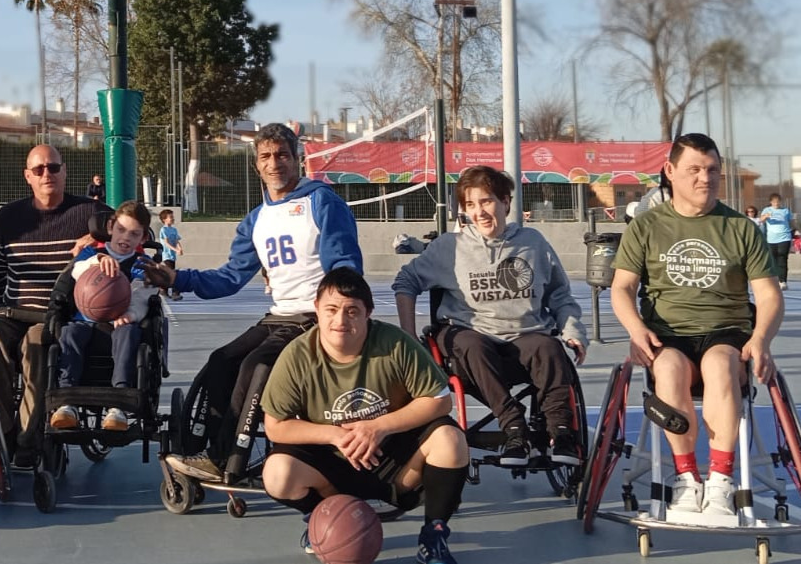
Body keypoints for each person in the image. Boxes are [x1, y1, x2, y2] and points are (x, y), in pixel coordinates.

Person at [153, 122, 364, 482]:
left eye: (282, 154)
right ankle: (201, 448)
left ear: (296, 159)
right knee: (221, 361)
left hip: (315, 319)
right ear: (256, 166)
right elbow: (230, 277)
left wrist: (341, 312)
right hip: (279, 317)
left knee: (257, 364)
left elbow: (345, 266)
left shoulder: (322, 202)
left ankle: (225, 461)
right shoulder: (256, 220)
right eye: (265, 156)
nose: (274, 162)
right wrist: (178, 278)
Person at [610, 132, 780, 518]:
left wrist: (762, 339)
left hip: (726, 331)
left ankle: (720, 479)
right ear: (670, 172)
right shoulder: (647, 226)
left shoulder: (740, 229)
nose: (705, 178)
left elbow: (769, 296)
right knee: (667, 368)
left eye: (713, 170)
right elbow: (621, 288)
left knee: (720, 364)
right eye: (695, 170)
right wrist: (636, 331)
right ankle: (686, 478)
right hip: (668, 335)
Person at [261, 269, 470, 563]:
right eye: (331, 310)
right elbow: (275, 426)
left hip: (396, 463)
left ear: (368, 314)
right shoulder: (297, 356)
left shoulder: (395, 344)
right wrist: (334, 434)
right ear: (317, 310)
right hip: (332, 464)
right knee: (277, 473)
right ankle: (321, 518)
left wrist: (378, 427)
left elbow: (439, 400)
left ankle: (433, 536)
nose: (340, 320)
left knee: (450, 439)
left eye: (352, 311)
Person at [393, 165, 588, 466]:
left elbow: (559, 295)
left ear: (506, 202)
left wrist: (572, 331)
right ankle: (513, 426)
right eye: (470, 205)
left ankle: (560, 432)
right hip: (469, 340)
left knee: (548, 347)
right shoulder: (450, 247)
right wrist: (408, 336)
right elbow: (406, 281)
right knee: (472, 343)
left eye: (486, 201)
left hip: (524, 337)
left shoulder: (533, 243)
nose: (479, 212)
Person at [0, 144, 110, 466]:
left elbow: (136, 231)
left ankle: (28, 439)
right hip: (13, 311)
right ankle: (1, 432)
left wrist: (97, 241)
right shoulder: (9, 218)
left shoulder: (89, 213)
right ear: (28, 176)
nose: (46, 174)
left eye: (53, 167)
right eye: (38, 170)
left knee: (37, 343)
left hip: (55, 314)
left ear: (65, 171)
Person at [48, 201, 160, 432]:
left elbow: (143, 293)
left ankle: (118, 404)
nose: (125, 237)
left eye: (134, 234)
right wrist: (97, 262)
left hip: (117, 325)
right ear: (110, 227)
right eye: (121, 229)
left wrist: (130, 313)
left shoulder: (141, 264)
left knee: (129, 333)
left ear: (142, 238)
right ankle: (66, 402)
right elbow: (77, 271)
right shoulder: (91, 253)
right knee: (69, 332)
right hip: (85, 321)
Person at [758, 193, 796, 290]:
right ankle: (775, 280)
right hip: (771, 239)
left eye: (778, 201)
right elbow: (761, 220)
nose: (776, 203)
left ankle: (783, 281)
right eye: (774, 202)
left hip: (784, 237)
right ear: (771, 202)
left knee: (782, 258)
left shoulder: (785, 210)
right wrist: (765, 216)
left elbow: (791, 222)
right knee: (773, 260)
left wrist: (793, 232)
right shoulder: (767, 210)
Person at [157, 208, 184, 301]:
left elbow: (176, 240)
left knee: (169, 274)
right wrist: (175, 249)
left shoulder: (174, 230)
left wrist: (179, 248)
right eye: (170, 217)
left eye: (173, 217)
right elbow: (166, 243)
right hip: (166, 255)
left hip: (173, 256)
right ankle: (175, 292)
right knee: (172, 273)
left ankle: (163, 290)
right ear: (164, 219)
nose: (172, 219)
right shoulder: (163, 230)